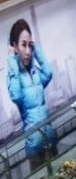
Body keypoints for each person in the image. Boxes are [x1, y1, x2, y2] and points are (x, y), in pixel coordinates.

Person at [7, 19, 56, 159]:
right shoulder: (14, 76)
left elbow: (48, 74)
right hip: (35, 149)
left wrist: (37, 51)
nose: (28, 51)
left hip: (51, 139)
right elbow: (16, 96)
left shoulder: (35, 72)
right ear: (15, 47)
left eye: (30, 45)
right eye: (23, 45)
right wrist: (12, 62)